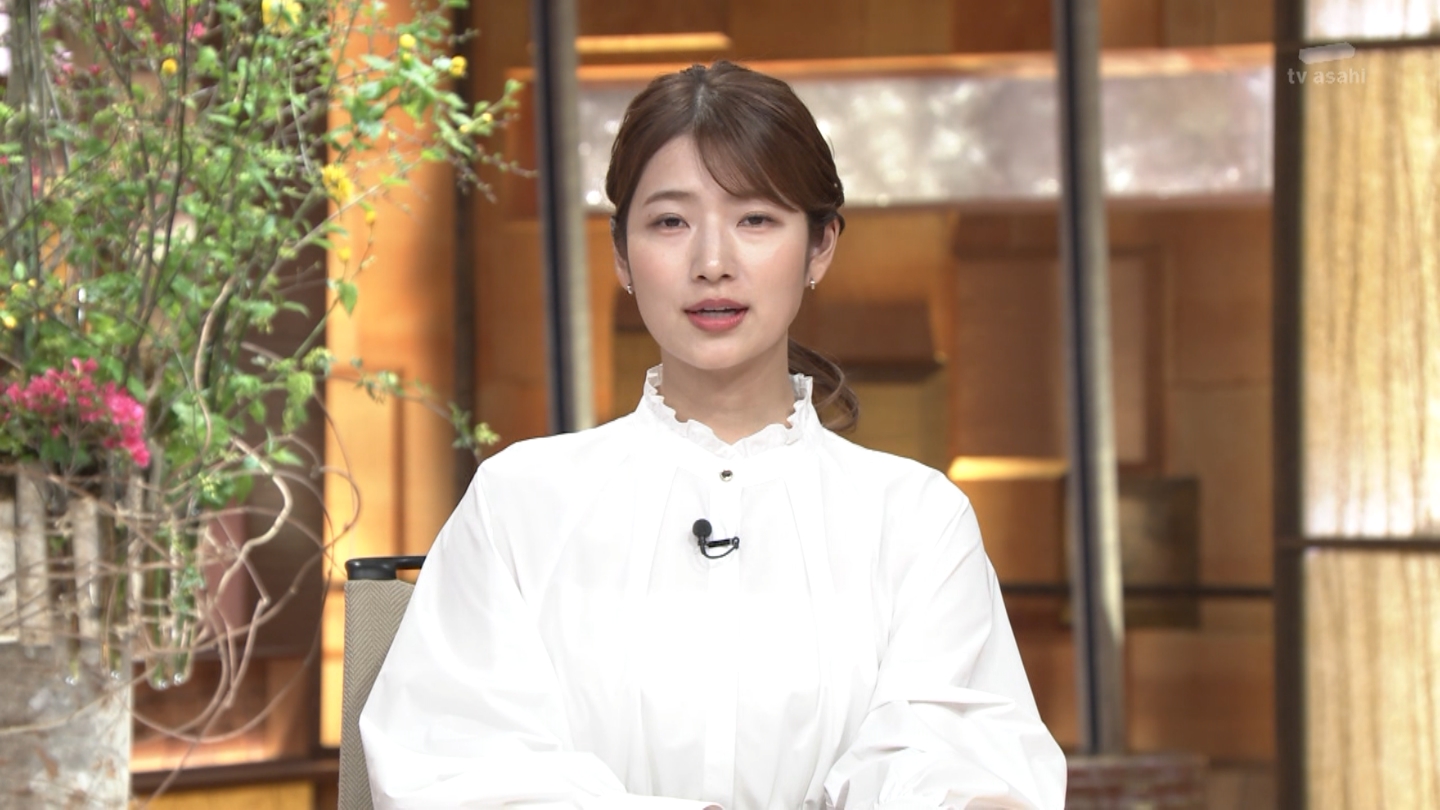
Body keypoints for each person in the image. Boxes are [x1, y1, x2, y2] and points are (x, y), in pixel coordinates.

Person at [359, 61, 1066, 809]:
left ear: (820, 245)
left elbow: (965, 772)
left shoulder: (918, 520)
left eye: (755, 219)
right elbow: (454, 769)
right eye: (671, 222)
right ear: (622, 254)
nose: (713, 264)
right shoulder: (519, 503)